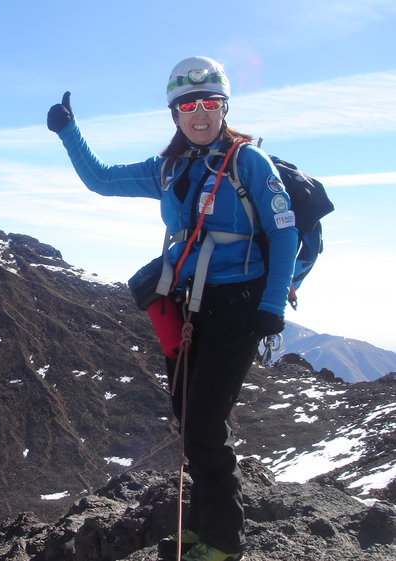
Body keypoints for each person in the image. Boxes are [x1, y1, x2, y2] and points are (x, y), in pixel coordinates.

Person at [47, 56, 298, 561]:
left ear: (225, 108)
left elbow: (284, 231)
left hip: (239, 304)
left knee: (205, 422)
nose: (199, 114)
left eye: (210, 103)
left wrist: (272, 306)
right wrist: (69, 132)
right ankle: (204, 526)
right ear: (174, 114)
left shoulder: (250, 163)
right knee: (190, 416)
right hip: (185, 305)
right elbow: (101, 178)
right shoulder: (170, 168)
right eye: (188, 105)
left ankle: (225, 541)